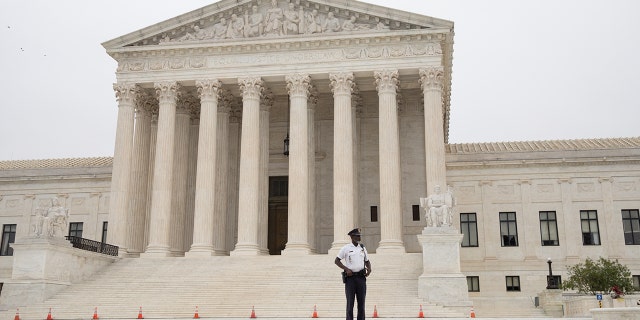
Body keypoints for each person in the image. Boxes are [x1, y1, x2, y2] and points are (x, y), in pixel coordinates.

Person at [335, 228, 371, 320]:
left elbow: (367, 261)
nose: (359, 237)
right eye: (357, 236)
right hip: (350, 279)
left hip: (361, 278)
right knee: (350, 304)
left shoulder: (362, 248)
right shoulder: (346, 248)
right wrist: (346, 269)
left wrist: (369, 269)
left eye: (359, 236)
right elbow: (337, 261)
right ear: (351, 237)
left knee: (361, 303)